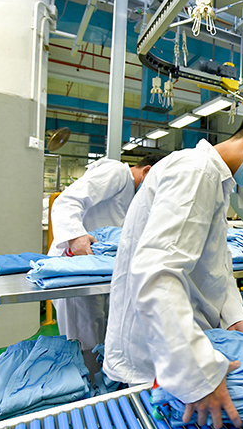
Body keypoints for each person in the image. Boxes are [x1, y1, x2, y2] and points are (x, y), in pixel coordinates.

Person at [104, 111, 243, 429]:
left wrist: (236, 317)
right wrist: (198, 373)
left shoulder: (215, 182)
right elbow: (158, 274)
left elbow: (218, 264)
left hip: (178, 340)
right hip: (157, 353)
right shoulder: (195, 173)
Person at [48, 154, 163, 374]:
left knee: (99, 335)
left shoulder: (133, 196)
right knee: (83, 339)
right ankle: (83, 394)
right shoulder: (116, 173)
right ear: (147, 172)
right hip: (78, 267)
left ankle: (97, 385)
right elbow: (67, 200)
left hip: (99, 271)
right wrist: (76, 236)